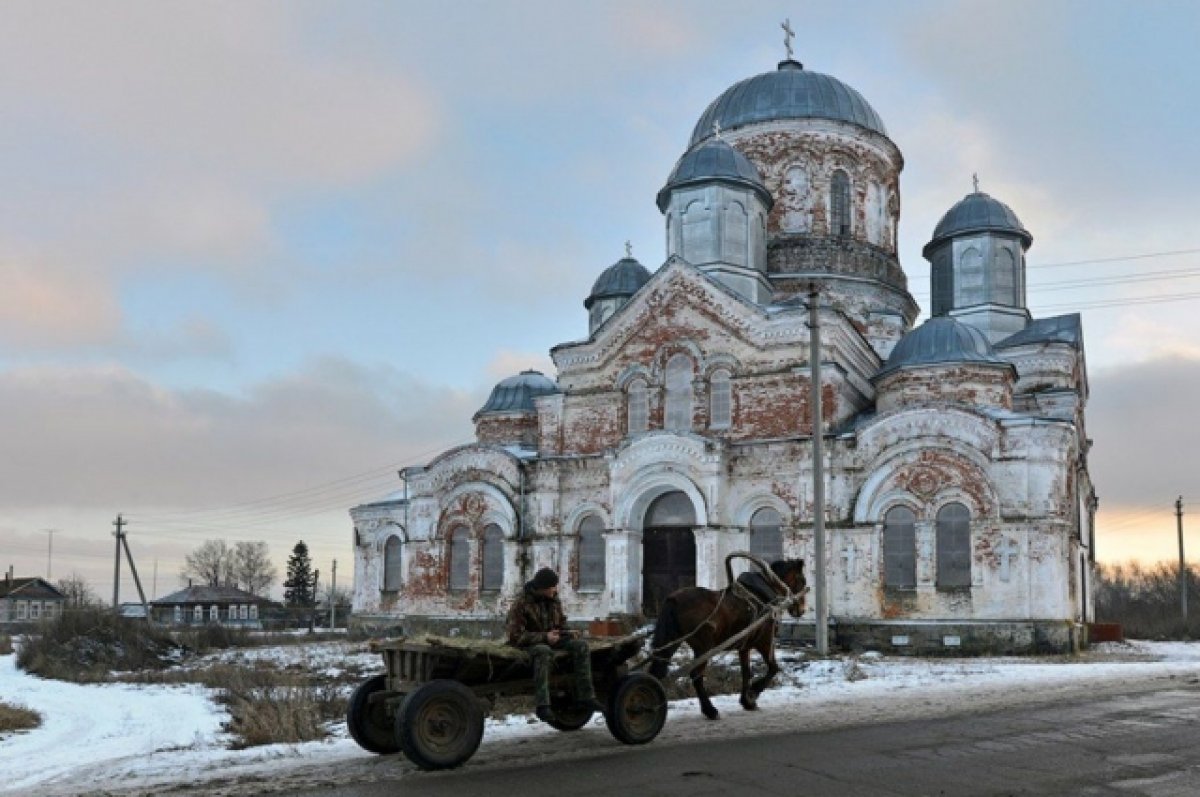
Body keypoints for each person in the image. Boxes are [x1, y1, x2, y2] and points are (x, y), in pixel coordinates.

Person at [506, 567, 605, 722]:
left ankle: (586, 696)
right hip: (530, 645)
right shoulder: (522, 604)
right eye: (552, 587)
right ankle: (543, 705)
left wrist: (567, 632)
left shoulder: (553, 601)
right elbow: (515, 636)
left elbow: (560, 624)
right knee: (543, 651)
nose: (555, 590)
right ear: (543, 588)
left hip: (552, 640)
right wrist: (545, 637)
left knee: (580, 646)